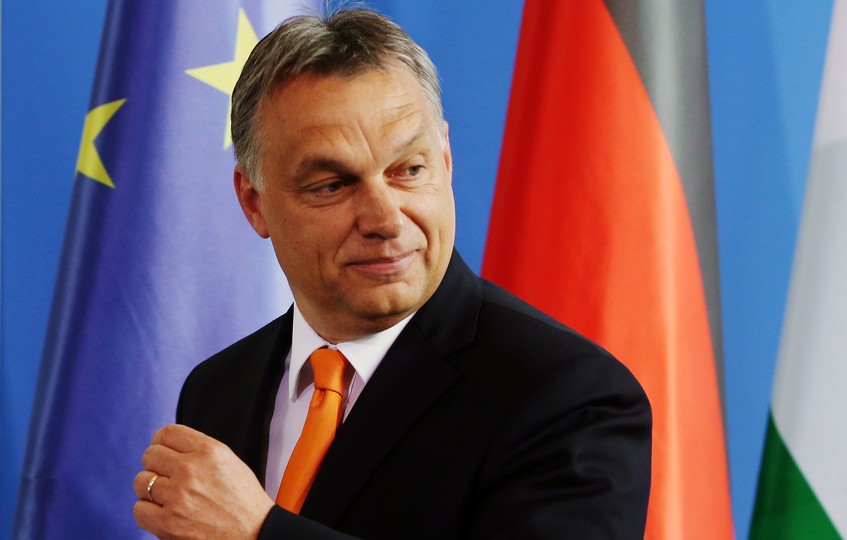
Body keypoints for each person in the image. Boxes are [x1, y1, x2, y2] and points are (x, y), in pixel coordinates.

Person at [133, 8, 651, 539]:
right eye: (332, 185)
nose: (385, 219)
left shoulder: (567, 396)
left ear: (445, 160)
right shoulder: (217, 388)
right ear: (254, 202)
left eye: (409, 170)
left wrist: (259, 533)